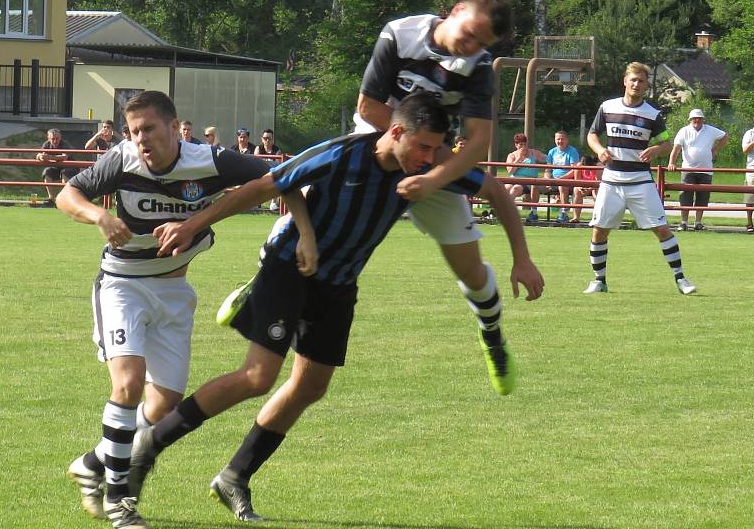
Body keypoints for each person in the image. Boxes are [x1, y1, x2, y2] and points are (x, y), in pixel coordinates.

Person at [129, 92, 544, 521]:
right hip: (289, 268)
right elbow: (263, 186)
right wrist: (192, 224)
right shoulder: (341, 154)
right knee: (258, 377)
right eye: (422, 146)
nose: (428, 158)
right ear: (395, 132)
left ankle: (234, 477)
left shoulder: (424, 169)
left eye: (435, 149)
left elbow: (494, 189)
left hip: (338, 285)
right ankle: (151, 442)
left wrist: (522, 257)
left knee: (311, 386)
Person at [56, 91, 277, 529]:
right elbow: (68, 195)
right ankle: (120, 499)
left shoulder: (210, 160)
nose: (141, 139)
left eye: (149, 129)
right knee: (129, 382)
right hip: (122, 286)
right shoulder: (120, 161)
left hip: (175, 292)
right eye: (134, 131)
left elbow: (272, 179)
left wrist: (199, 221)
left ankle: (93, 462)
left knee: (163, 406)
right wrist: (97, 217)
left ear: (175, 128)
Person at [353, 0, 519, 392]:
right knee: (313, 207)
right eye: (471, 34)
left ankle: (492, 336)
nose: (473, 47)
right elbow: (367, 107)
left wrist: (431, 174)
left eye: (482, 44)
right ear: (457, 10)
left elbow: (479, 144)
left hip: (432, 161)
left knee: (471, 271)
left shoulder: (478, 67)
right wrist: (411, 148)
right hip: (378, 140)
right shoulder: (400, 33)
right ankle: (264, 280)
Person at [583, 62, 697, 296]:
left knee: (662, 229)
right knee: (599, 231)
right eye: (633, 79)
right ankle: (599, 281)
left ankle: (681, 279)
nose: (636, 84)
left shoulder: (653, 114)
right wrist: (599, 150)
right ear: (625, 81)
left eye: (641, 81)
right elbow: (592, 134)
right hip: (612, 180)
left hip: (640, 180)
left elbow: (667, 142)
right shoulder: (607, 107)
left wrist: (656, 150)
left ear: (646, 85)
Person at [667, 108, 728, 231]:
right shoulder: (684, 131)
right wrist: (671, 163)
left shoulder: (710, 130)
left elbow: (725, 137)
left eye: (699, 118)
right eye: (694, 118)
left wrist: (715, 150)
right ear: (690, 120)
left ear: (703, 119)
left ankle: (698, 223)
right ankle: (683, 222)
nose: (697, 120)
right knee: (685, 196)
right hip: (688, 169)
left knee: (703, 197)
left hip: (706, 170)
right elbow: (676, 148)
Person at [505, 133, 547, 223]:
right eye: (520, 144)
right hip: (514, 179)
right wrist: (518, 159)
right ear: (516, 145)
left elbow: (546, 158)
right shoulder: (512, 155)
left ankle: (507, 212)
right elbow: (510, 171)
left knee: (515, 188)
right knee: (505, 188)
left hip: (528, 181)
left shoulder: (533, 152)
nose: (523, 147)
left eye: (524, 144)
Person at [544, 130, 580, 223]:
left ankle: (564, 213)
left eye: (562, 139)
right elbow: (547, 170)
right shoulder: (552, 152)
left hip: (567, 180)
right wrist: (547, 179)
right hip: (554, 179)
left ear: (567, 140)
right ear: (555, 140)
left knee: (562, 185)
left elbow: (574, 170)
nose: (560, 141)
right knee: (534, 185)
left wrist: (561, 179)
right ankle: (533, 212)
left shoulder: (572, 151)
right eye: (558, 139)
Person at [36, 128, 78, 206]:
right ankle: (51, 198)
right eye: (53, 139)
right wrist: (41, 156)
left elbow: (64, 157)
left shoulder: (65, 144)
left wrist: (49, 157)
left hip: (69, 167)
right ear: (48, 139)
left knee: (65, 173)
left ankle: (65, 199)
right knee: (47, 172)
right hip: (56, 168)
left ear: (60, 138)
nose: (55, 141)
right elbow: (39, 155)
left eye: (57, 138)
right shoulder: (47, 144)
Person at [254, 128, 283, 211]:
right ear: (262, 139)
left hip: (272, 173)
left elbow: (278, 166)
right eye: (265, 138)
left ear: (272, 139)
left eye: (269, 138)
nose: (266, 140)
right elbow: (255, 163)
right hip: (260, 173)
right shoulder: (258, 149)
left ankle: (274, 202)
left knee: (277, 179)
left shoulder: (277, 151)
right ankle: (256, 202)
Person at [570, 155, 602, 223]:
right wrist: (580, 188)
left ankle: (597, 217)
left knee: (596, 195)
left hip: (596, 186)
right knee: (576, 190)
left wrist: (589, 189)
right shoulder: (579, 165)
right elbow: (577, 181)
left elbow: (598, 182)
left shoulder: (597, 166)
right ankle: (576, 217)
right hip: (584, 185)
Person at [742, 125, 754, 233]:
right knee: (750, 198)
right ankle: (749, 223)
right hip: (752, 170)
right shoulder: (749, 133)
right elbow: (745, 150)